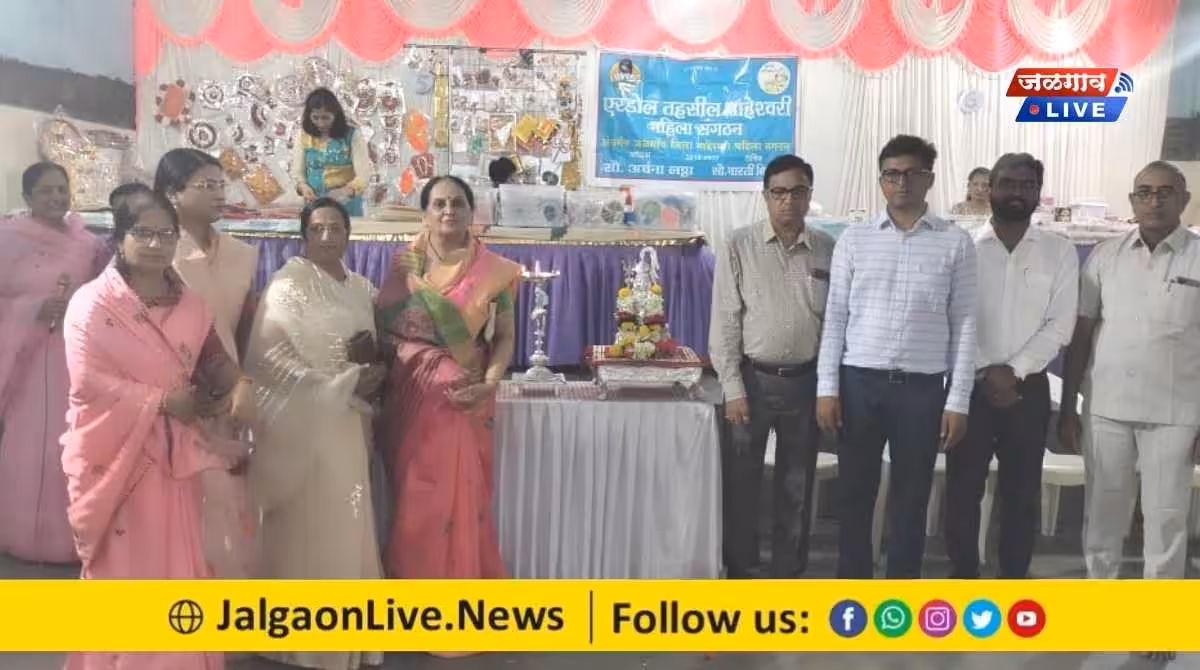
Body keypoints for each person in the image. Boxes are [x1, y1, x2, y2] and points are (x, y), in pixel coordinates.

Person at [61, 190, 254, 670]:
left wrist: (240, 385)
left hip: (173, 461)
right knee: (127, 568)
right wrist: (161, 402)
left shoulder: (191, 304)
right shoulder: (93, 303)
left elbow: (214, 361)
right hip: (117, 459)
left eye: (166, 234)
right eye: (143, 233)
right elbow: (86, 380)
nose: (155, 244)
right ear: (119, 238)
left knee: (177, 564)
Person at [815, 134, 977, 579]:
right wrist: (827, 389)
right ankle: (853, 589)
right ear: (881, 180)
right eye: (892, 174)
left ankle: (900, 594)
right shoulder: (855, 240)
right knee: (854, 495)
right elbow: (836, 317)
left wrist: (958, 401)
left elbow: (965, 324)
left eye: (911, 174)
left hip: (922, 391)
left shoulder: (956, 242)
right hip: (858, 384)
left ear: (929, 179)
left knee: (912, 497)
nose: (901, 183)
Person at [1058, 161, 1200, 662]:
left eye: (1165, 192)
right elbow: (1081, 336)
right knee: (1103, 515)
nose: (1154, 201)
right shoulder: (1105, 256)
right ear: (1133, 200)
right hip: (1108, 406)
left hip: (1177, 411)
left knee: (1167, 520)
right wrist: (1069, 405)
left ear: (1184, 199)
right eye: (1144, 192)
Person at [246, 198, 386, 670]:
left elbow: (373, 345)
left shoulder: (361, 287)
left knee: (350, 516)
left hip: (352, 417)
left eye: (335, 228)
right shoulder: (287, 285)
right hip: (308, 419)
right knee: (311, 520)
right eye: (318, 228)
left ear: (349, 233)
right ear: (304, 234)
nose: (327, 236)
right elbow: (270, 358)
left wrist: (372, 376)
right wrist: (336, 384)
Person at [375, 176, 521, 592]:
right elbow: (382, 328)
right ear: (424, 213)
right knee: (416, 499)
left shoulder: (493, 270)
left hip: (467, 390)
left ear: (471, 211)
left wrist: (489, 383)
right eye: (438, 203)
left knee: (457, 495)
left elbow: (504, 337)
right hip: (410, 389)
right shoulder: (405, 264)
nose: (448, 211)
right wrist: (420, 358)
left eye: (457, 203)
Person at [943, 153, 1078, 579]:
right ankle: (963, 575)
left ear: (1038, 193)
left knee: (1021, 493)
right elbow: (949, 315)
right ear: (990, 189)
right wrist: (986, 368)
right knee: (962, 489)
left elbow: (1060, 324)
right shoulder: (962, 246)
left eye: (1027, 185)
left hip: (1028, 387)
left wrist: (1013, 370)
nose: (1017, 192)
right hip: (969, 386)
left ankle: (1013, 579)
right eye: (1008, 183)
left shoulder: (1059, 251)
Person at [709, 154, 833, 578]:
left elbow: (835, 323)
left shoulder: (828, 249)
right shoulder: (739, 244)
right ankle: (741, 571)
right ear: (765, 196)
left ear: (809, 196)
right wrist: (732, 389)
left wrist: (828, 388)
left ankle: (787, 575)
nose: (787, 201)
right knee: (742, 484)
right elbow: (725, 320)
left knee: (796, 486)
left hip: (807, 383)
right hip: (752, 382)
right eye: (778, 192)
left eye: (797, 192)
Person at [0, 162, 106, 564]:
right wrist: (32, 309)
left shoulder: (87, 244)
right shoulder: (7, 239)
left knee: (73, 440)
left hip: (75, 355)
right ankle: (20, 531)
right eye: (46, 191)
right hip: (24, 359)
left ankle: (70, 535)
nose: (56, 197)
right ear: (27, 196)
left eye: (62, 189)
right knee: (28, 444)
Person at [291, 87, 371, 217]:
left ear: (336, 115)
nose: (321, 123)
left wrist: (345, 191)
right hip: (314, 205)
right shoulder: (303, 136)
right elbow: (297, 172)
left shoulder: (352, 136)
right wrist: (303, 187)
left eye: (326, 117)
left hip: (346, 205)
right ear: (308, 116)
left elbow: (364, 175)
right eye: (315, 117)